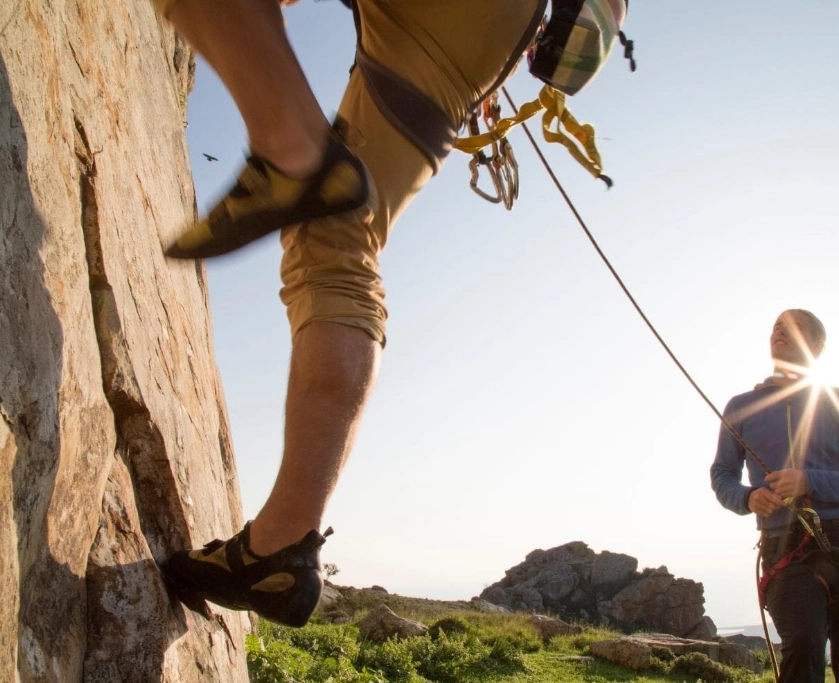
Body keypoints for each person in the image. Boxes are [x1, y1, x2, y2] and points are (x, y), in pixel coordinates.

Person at [155, 0, 548, 627]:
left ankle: (292, 150)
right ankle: (278, 550)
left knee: (323, 201)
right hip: (489, 31)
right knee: (334, 233)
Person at [710, 310, 839, 683]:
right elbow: (722, 474)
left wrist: (809, 481)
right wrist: (747, 498)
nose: (779, 331)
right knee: (804, 645)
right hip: (785, 546)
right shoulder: (741, 407)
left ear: (817, 346)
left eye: (793, 327)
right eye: (776, 326)